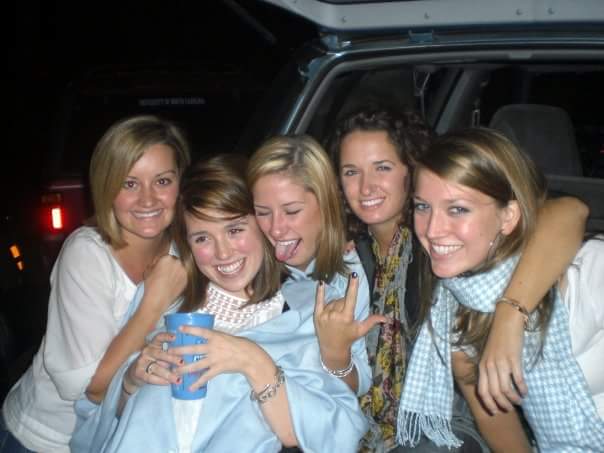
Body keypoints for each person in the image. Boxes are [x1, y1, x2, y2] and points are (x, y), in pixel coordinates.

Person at [328, 105, 588, 452]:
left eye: (382, 167)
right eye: (351, 172)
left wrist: (510, 313)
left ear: (412, 169)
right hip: (379, 423)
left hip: (448, 424)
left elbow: (568, 211)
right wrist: (336, 356)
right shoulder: (355, 256)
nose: (366, 186)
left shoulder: (442, 248)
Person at [72, 154, 368, 452]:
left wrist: (252, 360)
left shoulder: (307, 311)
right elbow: (92, 426)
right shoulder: (168, 301)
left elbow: (339, 436)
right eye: (202, 238)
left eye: (235, 230)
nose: (223, 253)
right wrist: (129, 384)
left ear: (261, 225)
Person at [400, 127, 604, 451]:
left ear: (508, 217)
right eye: (422, 206)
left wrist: (509, 317)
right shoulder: (452, 310)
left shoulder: (588, 272)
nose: (432, 230)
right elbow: (500, 427)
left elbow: (571, 209)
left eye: (458, 209)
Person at [0, 115, 190, 452]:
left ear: (180, 184)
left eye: (162, 181)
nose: (148, 200)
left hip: (127, 440)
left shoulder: (187, 250)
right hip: (47, 441)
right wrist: (153, 303)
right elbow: (90, 389)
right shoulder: (87, 253)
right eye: (129, 183)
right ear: (106, 187)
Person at [247, 134, 384, 399]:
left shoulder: (352, 273)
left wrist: (336, 354)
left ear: (326, 204)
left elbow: (359, 386)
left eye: (292, 211)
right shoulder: (244, 262)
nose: (275, 229)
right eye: (263, 212)